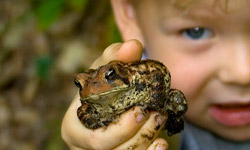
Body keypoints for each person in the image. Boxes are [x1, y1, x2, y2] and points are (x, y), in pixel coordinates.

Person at [61, 0, 250, 149]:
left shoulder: (146, 78)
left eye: (195, 32)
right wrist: (97, 140)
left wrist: (156, 107)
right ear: (131, 16)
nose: (243, 73)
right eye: (195, 32)